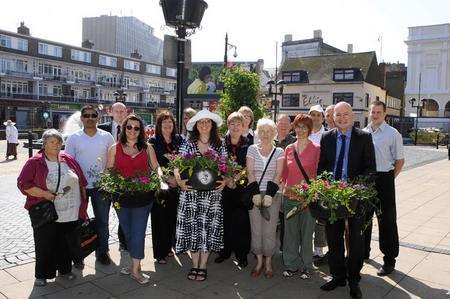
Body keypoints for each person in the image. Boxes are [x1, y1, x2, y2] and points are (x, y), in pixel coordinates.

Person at [318, 102, 376, 298]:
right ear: (333, 117)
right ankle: (337, 276)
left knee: (356, 241)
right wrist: (324, 187)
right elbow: (322, 167)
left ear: (352, 115)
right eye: (338, 115)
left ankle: (353, 279)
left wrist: (356, 189)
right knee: (333, 239)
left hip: (355, 198)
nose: (342, 118)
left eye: (346, 114)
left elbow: (370, 169)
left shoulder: (364, 137)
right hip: (333, 196)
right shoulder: (327, 138)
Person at [17, 129, 88, 287]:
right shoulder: (35, 162)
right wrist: (44, 194)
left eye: (59, 142)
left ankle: (65, 270)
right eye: (52, 142)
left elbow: (81, 180)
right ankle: (42, 275)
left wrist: (83, 203)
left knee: (64, 242)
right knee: (44, 243)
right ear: (44, 144)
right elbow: (23, 184)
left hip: (70, 210)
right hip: (46, 210)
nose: (56, 145)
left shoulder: (67, 158)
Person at [174, 109, 227, 282]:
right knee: (192, 229)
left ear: (212, 125)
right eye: (201, 122)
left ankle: (202, 266)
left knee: (207, 229)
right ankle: (194, 264)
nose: (204, 125)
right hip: (190, 195)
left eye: (207, 122)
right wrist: (179, 182)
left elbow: (226, 167)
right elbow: (177, 165)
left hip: (212, 196)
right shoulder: (188, 143)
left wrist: (225, 181)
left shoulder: (220, 144)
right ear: (196, 125)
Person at [106, 114, 158, 284]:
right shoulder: (114, 148)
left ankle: (135, 270)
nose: (133, 131)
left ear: (141, 131)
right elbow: (108, 171)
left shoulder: (147, 148)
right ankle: (135, 263)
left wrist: (159, 180)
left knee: (138, 232)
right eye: (129, 127)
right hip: (121, 198)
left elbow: (156, 169)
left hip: (143, 198)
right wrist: (110, 183)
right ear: (124, 128)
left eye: (137, 128)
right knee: (127, 232)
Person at [64, 105, 115, 266]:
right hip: (79, 187)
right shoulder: (73, 138)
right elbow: (68, 164)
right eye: (86, 115)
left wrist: (109, 180)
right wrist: (76, 185)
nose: (90, 118)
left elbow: (112, 161)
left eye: (93, 115)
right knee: (76, 222)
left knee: (102, 221)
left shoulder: (107, 137)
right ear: (82, 118)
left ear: (98, 118)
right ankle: (77, 255)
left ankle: (103, 252)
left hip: (101, 186)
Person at [363, 101, 404, 276]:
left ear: (385, 113)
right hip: (365, 180)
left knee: (386, 221)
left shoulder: (393, 134)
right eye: (373, 112)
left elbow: (400, 161)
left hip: (384, 179)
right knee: (363, 219)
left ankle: (389, 260)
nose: (375, 115)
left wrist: (388, 179)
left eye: (378, 112)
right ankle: (363, 252)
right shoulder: (363, 132)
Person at [281, 114, 320, 279]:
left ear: (309, 130)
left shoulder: (317, 149)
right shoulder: (289, 149)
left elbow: (319, 174)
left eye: (304, 127)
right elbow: (284, 174)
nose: (300, 130)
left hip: (308, 198)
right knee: (290, 233)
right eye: (298, 126)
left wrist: (317, 193)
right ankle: (291, 264)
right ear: (294, 128)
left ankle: (306, 265)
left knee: (307, 233)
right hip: (290, 196)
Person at [246, 118, 284, 279]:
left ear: (274, 133)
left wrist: (269, 194)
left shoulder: (279, 152)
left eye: (269, 131)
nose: (266, 134)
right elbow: (250, 172)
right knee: (256, 229)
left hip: (272, 195)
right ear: (258, 133)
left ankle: (269, 262)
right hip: (254, 193)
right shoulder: (252, 149)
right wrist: (255, 193)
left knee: (269, 230)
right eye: (262, 131)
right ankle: (259, 261)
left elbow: (278, 174)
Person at [214, 112, 251, 268]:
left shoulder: (249, 145)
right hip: (224, 187)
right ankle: (225, 251)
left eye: (238, 124)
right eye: (232, 124)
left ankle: (242, 255)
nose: (235, 127)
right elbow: (216, 163)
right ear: (228, 125)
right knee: (225, 221)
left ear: (243, 126)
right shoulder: (221, 144)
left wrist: (235, 180)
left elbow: (249, 167)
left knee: (241, 223)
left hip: (241, 188)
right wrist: (227, 179)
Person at [149, 111, 183, 264]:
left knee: (172, 218)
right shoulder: (153, 141)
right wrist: (167, 178)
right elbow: (152, 164)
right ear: (159, 125)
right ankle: (159, 253)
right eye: (164, 123)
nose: (168, 125)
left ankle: (169, 246)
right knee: (159, 219)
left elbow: (185, 161)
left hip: (177, 186)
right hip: (160, 186)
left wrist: (177, 179)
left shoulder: (179, 140)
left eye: (170, 122)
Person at [98, 102, 129, 252]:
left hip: (124, 178)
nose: (120, 114)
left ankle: (123, 242)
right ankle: (103, 248)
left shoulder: (132, 129)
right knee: (103, 216)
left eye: (123, 111)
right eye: (117, 111)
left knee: (124, 213)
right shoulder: (101, 129)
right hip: (105, 177)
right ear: (111, 112)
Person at [308, 105, 328, 263]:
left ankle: (319, 249)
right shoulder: (302, 133)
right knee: (305, 215)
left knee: (320, 217)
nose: (315, 118)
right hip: (303, 180)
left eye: (318, 115)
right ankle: (305, 246)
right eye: (312, 114)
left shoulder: (327, 136)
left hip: (320, 180)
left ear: (323, 118)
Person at [275, 114, 296, 251]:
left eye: (286, 123)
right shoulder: (270, 139)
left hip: (288, 186)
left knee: (285, 220)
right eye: (280, 122)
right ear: (276, 124)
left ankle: (285, 248)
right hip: (271, 185)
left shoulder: (295, 142)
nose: (283, 125)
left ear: (291, 126)